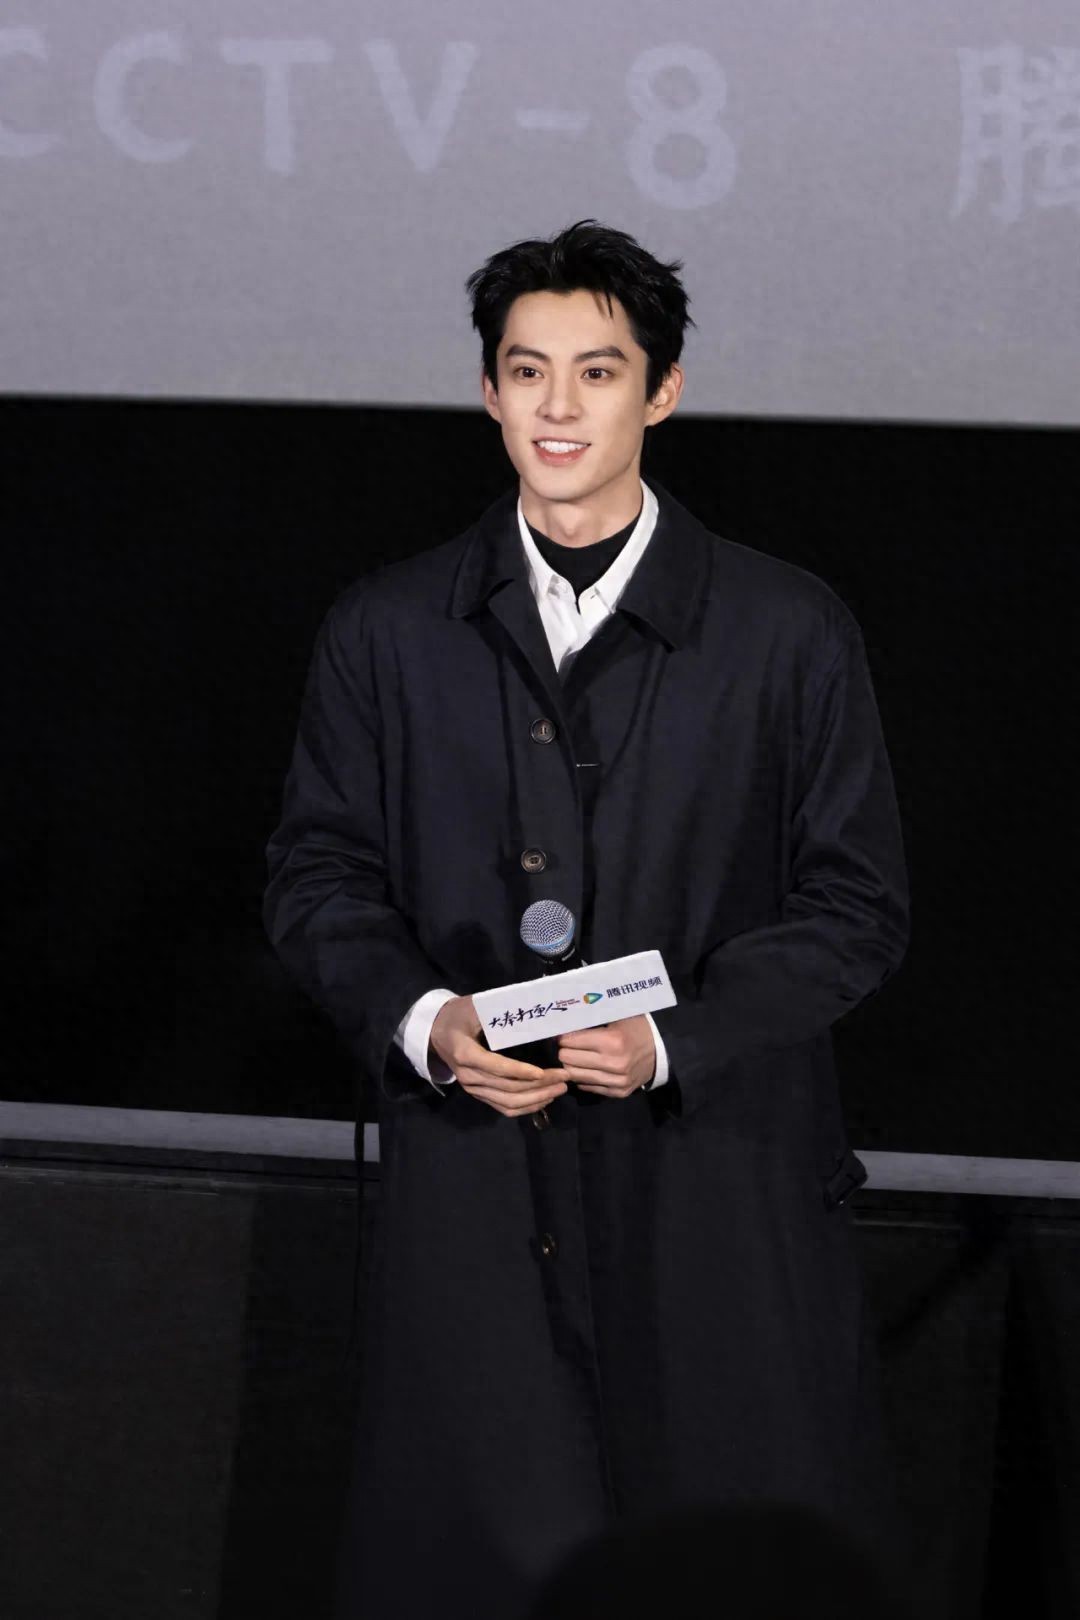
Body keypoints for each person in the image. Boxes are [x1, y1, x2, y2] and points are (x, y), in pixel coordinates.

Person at [262, 218, 911, 1620]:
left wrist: (674, 1038)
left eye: (598, 372)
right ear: (488, 392)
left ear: (662, 392)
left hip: (717, 1188)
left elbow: (858, 906)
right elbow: (317, 878)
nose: (558, 407)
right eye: (527, 370)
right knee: (475, 1563)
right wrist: (428, 1020)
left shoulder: (787, 629)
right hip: (476, 1191)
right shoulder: (389, 628)